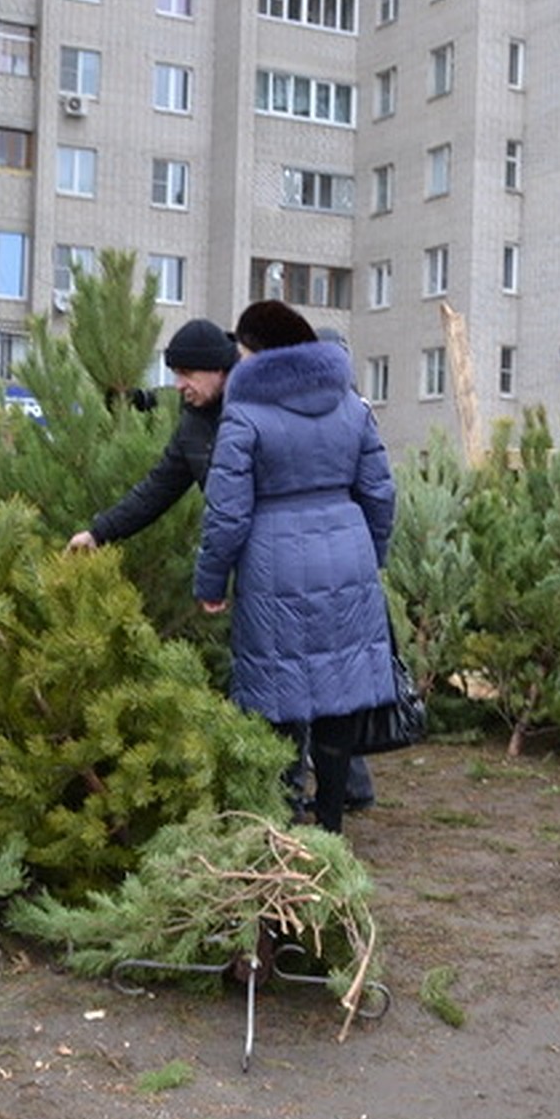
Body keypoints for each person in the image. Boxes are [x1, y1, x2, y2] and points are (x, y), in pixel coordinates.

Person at [194, 300, 397, 833]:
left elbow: (227, 512)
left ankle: (281, 823)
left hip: (274, 561)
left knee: (278, 694)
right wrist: (371, 557)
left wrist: (211, 580)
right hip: (347, 554)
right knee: (339, 693)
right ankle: (330, 823)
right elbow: (380, 491)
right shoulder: (352, 406)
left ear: (258, 352)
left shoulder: (245, 413)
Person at [67, 318, 238, 550]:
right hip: (237, 554)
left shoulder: (260, 407)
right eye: (176, 374)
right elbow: (157, 490)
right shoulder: (193, 423)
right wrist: (99, 533)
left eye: (187, 374)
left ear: (218, 369)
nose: (178, 385)